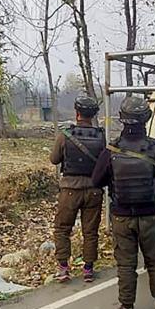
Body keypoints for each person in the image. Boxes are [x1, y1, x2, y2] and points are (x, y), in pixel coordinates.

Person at [92, 96, 155, 309]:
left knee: (126, 264)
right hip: (150, 215)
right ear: (146, 119)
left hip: (122, 216)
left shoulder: (111, 150)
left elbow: (96, 180)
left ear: (123, 120)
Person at [50, 96, 106, 283]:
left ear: (77, 113)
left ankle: (64, 268)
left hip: (70, 190)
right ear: (94, 114)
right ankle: (88, 269)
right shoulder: (101, 136)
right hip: (94, 190)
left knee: (62, 228)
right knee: (90, 231)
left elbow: (54, 159)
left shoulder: (65, 135)